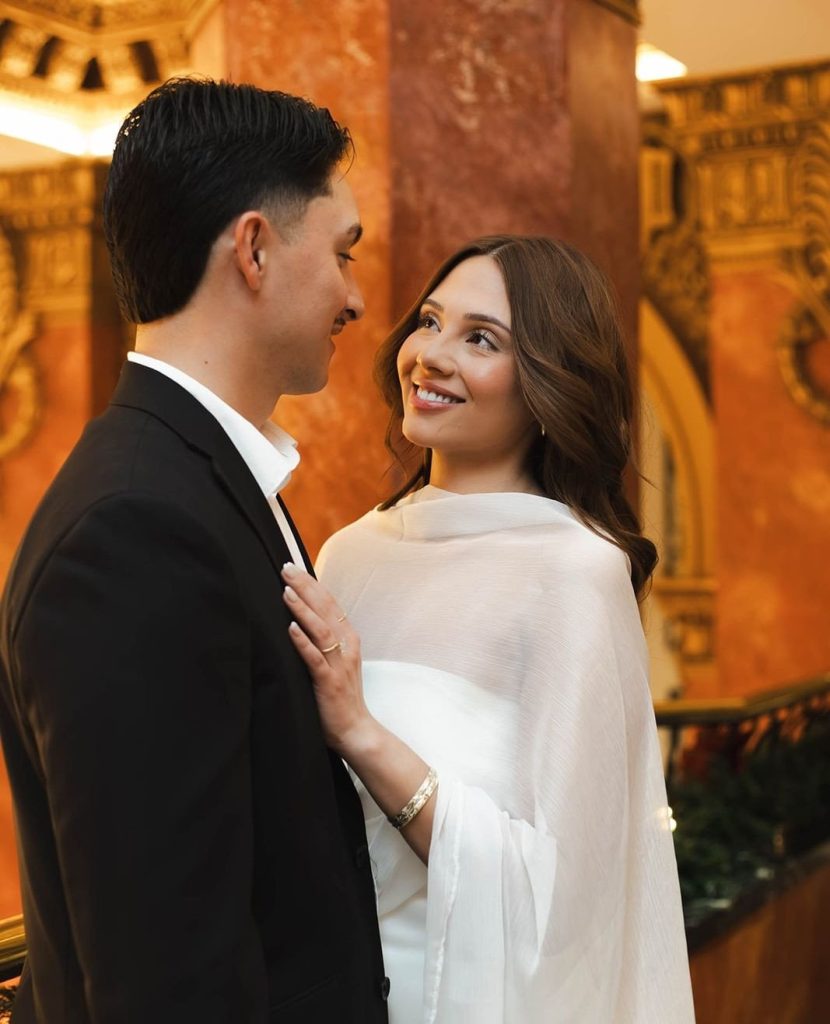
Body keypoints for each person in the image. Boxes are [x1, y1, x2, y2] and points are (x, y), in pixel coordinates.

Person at [0, 78, 389, 1023]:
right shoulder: (134, 531)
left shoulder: (196, 478)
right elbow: (167, 979)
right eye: (342, 253)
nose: (357, 295)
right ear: (253, 250)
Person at [281, 236, 697, 1022]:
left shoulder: (575, 572)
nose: (431, 355)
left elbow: (566, 895)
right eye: (430, 321)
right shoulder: (349, 554)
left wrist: (363, 735)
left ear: (547, 385)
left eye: (481, 340)